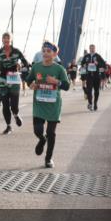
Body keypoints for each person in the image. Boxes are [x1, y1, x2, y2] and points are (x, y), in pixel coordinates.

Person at [24, 41, 71, 169]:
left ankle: (48, 158)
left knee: (51, 132)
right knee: (38, 130)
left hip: (53, 105)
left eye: (48, 51)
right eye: (43, 51)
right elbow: (28, 80)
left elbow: (67, 86)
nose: (45, 53)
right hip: (39, 104)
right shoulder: (36, 67)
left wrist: (56, 81)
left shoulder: (59, 69)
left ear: (55, 54)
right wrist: (31, 85)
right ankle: (41, 139)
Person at [0, 32, 29, 134]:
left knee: (14, 104)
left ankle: (16, 114)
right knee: (5, 104)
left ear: (11, 40)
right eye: (4, 38)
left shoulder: (16, 51)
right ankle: (8, 126)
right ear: (2, 40)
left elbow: (24, 60)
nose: (6, 40)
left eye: (8, 38)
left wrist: (25, 66)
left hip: (14, 78)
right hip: (3, 79)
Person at [79, 44, 108, 112]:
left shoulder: (98, 56)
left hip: (97, 75)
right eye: (91, 48)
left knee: (96, 91)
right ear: (89, 49)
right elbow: (82, 63)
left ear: (95, 48)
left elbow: (103, 64)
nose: (92, 49)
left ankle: (95, 103)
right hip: (89, 75)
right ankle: (90, 103)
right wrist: (85, 64)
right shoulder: (86, 56)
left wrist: (97, 63)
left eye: (93, 48)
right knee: (89, 90)